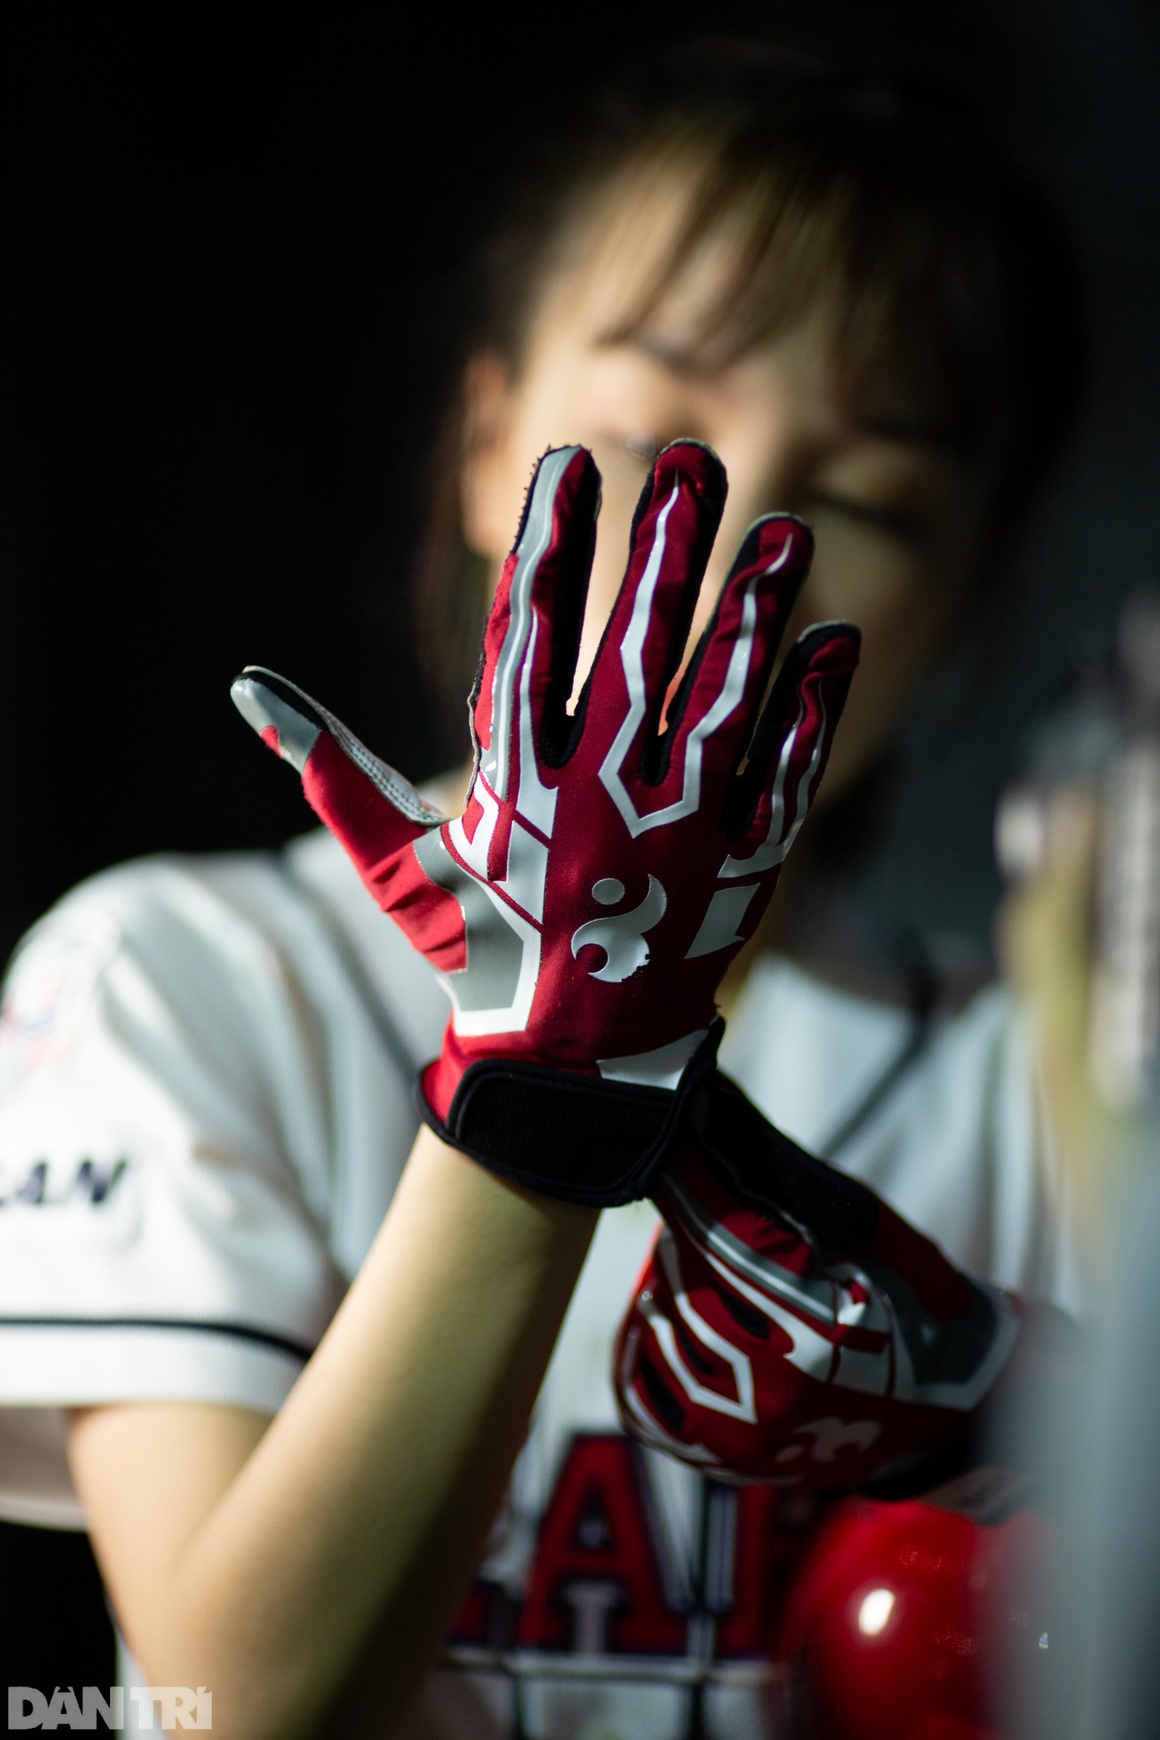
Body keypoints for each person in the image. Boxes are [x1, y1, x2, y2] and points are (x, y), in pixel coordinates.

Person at [0, 39, 1086, 1740]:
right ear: (485, 438)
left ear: (971, 596)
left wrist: (1027, 1420)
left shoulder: (1050, 1088)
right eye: (655, 428)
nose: (734, 533)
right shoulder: (187, 973)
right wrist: (551, 1097)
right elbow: (238, 1712)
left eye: (866, 497)